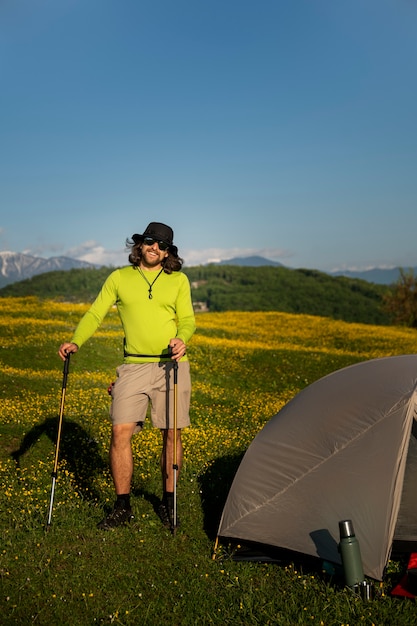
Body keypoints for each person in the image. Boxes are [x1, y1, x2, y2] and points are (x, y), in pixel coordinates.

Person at [58, 222, 196, 531]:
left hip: (171, 366)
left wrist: (182, 337)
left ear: (168, 252)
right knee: (120, 431)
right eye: (150, 241)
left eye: (161, 245)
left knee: (171, 433)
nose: (154, 248)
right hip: (133, 366)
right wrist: (76, 340)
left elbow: (187, 319)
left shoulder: (179, 281)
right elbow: (95, 313)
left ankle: (168, 501)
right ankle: (123, 506)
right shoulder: (119, 278)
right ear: (140, 244)